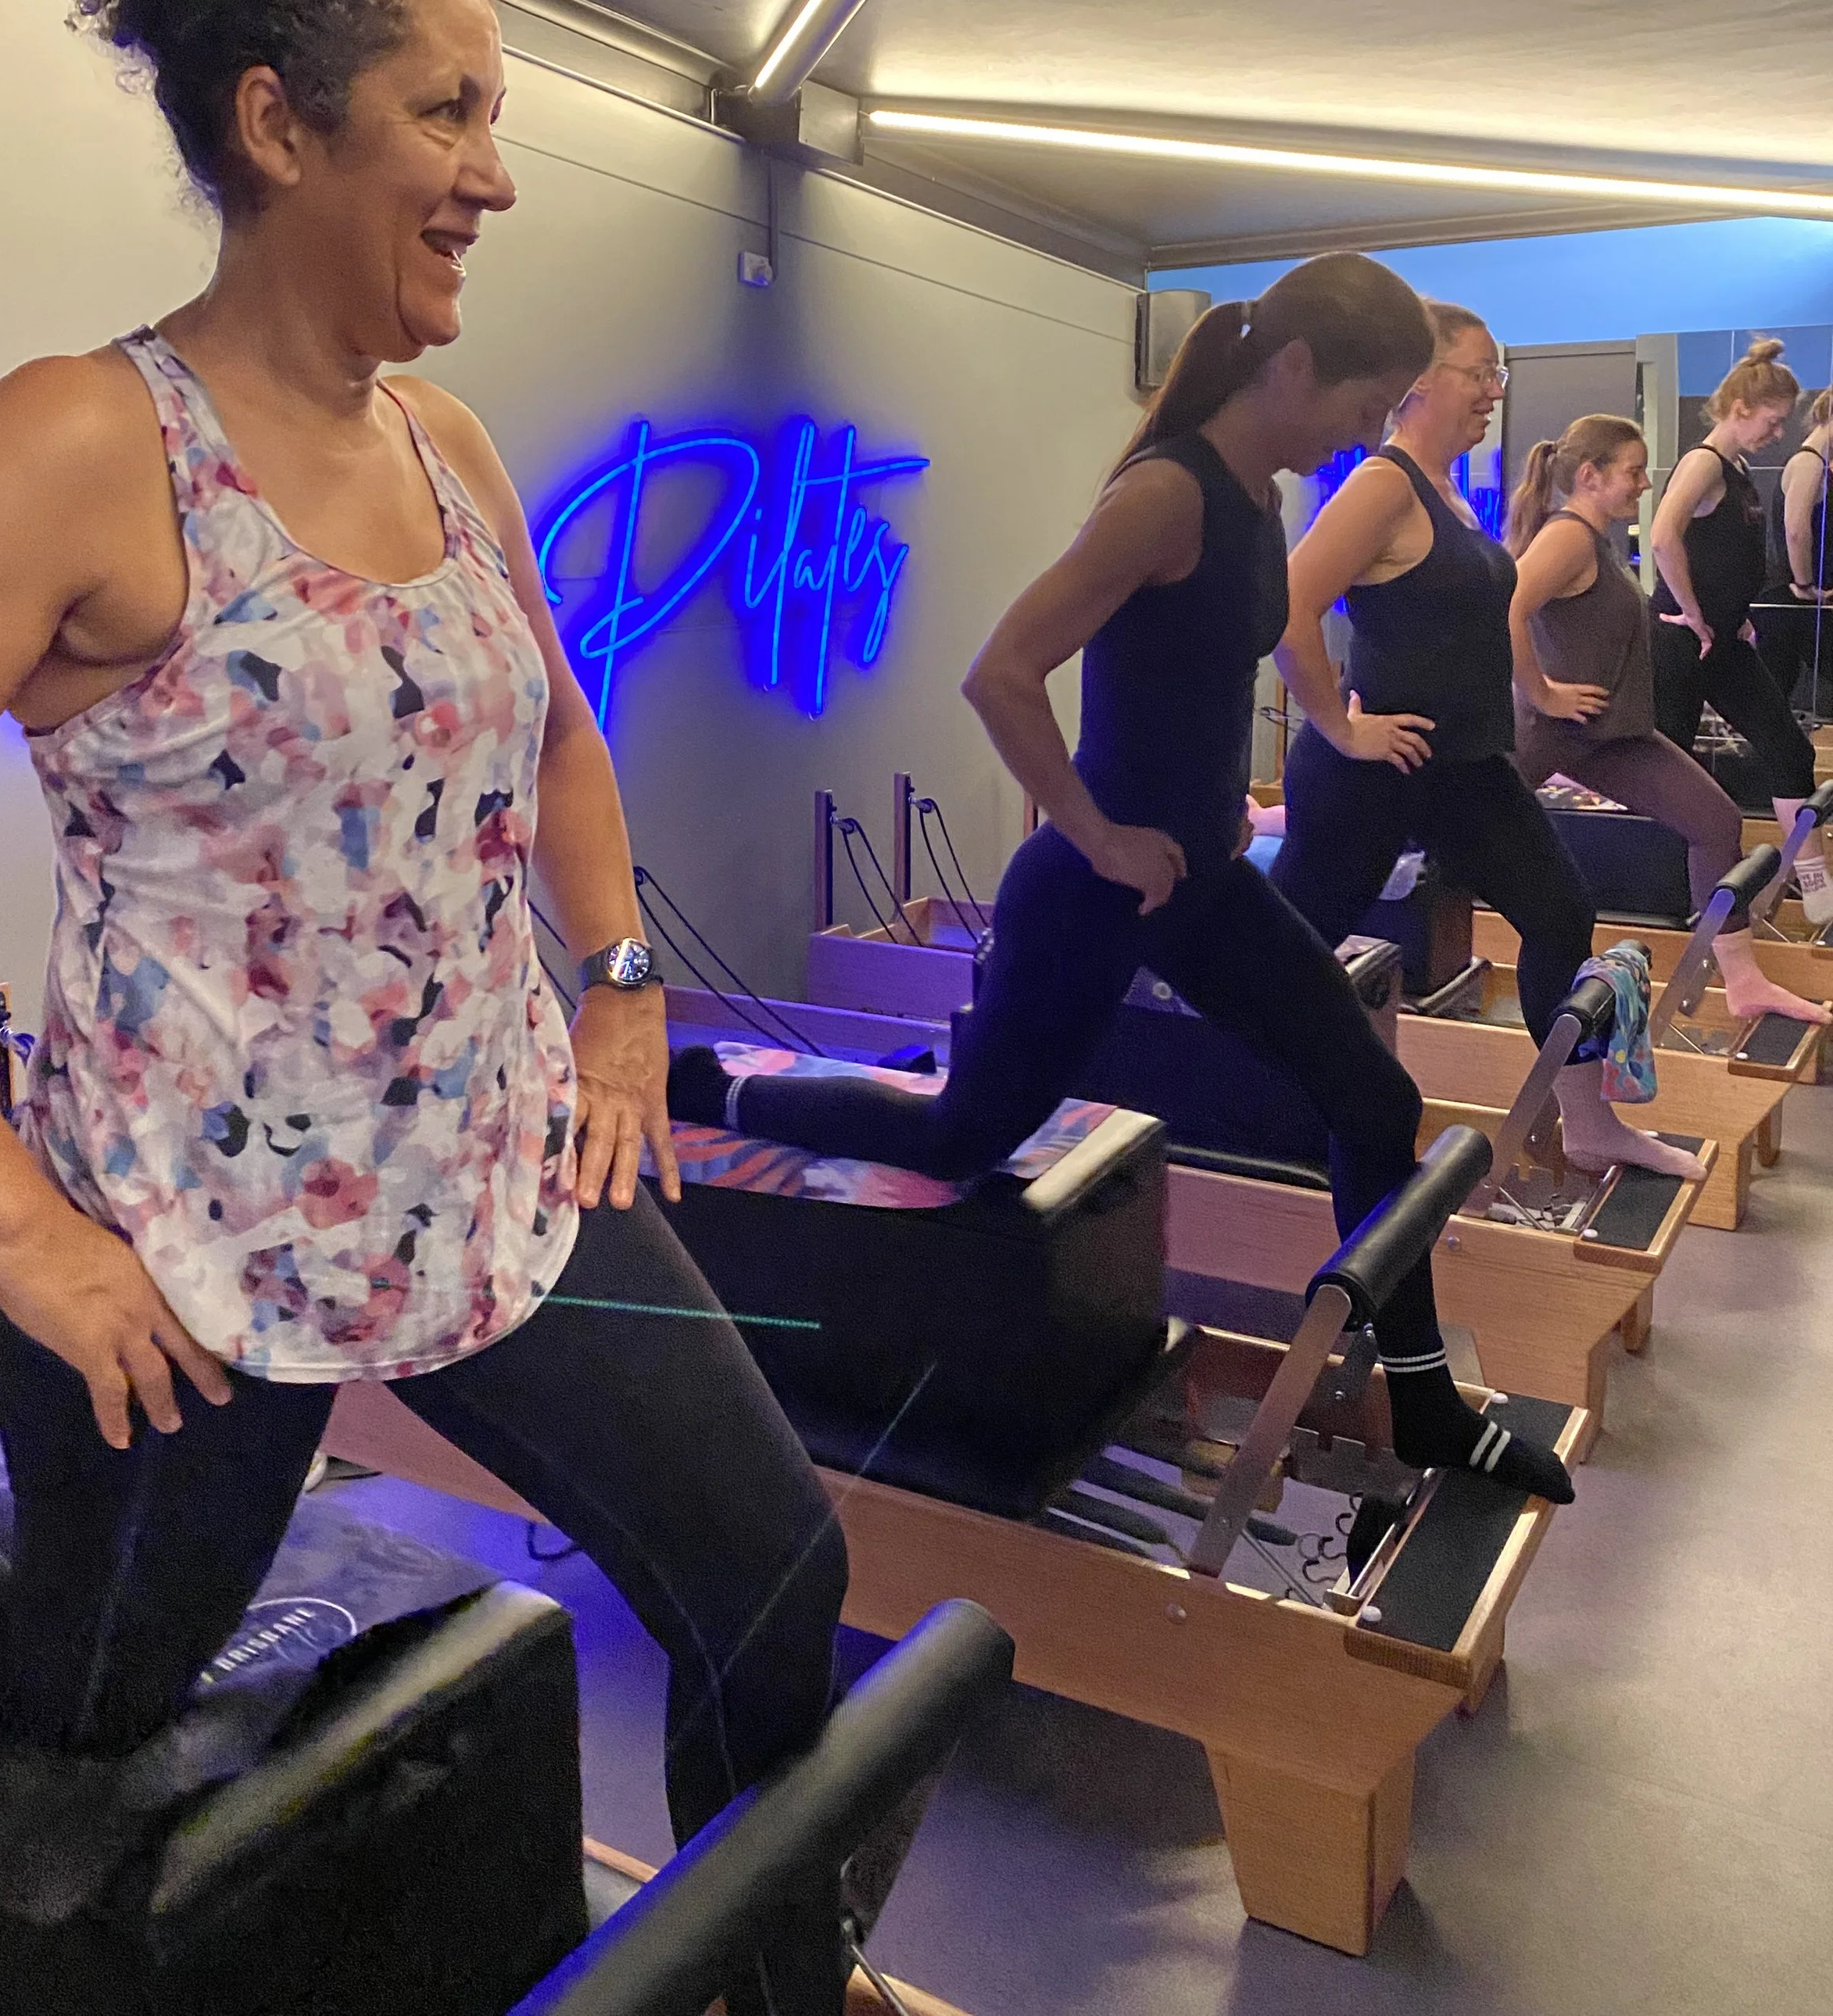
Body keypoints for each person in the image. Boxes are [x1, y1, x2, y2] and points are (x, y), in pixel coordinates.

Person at [0, 0, 847, 2014]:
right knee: (86, 1700)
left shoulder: (446, 439)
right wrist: (23, 1238)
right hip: (187, 1256)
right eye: (449, 111)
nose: (494, 173)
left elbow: (559, 732)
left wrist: (617, 989)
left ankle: (769, 1985)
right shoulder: (80, 442)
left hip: (498, 1174)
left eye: (494, 115)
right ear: (279, 123)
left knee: (773, 1568)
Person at [671, 259, 1573, 1507]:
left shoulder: (1258, 495)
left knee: (1374, 1097)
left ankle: (1423, 1403)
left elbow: (1195, 679)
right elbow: (1001, 674)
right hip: (1094, 889)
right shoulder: (1165, 495)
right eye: (1365, 405)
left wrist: (1230, 797)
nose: (1365, 435)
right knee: (961, 1136)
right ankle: (708, 1085)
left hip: (1199, 879)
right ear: (1294, 367)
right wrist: (1097, 834)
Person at [1267, 304, 1681, 1176]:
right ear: (1418, 380)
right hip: (1379, 769)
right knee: (1288, 952)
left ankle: (1586, 1122)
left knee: (1560, 911)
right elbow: (1289, 606)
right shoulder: (1384, 484)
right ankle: (1234, 1115)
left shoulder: (1449, 489)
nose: (1494, 390)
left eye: (1499, 375)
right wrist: (1340, 727)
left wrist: (1535, 692)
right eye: (1480, 372)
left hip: (1464, 766)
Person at [1508, 415, 1826, 1035]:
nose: (1644, 484)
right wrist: (1543, 693)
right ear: (1590, 476)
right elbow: (1510, 606)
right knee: (1441, 837)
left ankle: (1742, 981)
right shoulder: (1568, 535)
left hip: (1608, 735)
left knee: (1717, 821)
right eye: (1633, 472)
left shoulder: (1593, 539)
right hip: (1553, 732)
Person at [1649, 338, 1832, 922]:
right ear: (1739, 408)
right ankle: (1676, 901)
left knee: (1789, 748)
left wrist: (1736, 613)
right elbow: (1662, 535)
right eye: (1772, 421)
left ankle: (1815, 887)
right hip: (1682, 641)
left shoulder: (1739, 469)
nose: (1777, 433)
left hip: (1724, 639)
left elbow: (1725, 550)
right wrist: (1692, 610)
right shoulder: (1703, 461)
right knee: (1672, 773)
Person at [1754, 386, 1833, 722]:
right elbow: (1796, 530)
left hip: (1805, 601)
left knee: (1774, 702)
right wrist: (1804, 585)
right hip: (1794, 601)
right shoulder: (1808, 462)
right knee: (1771, 702)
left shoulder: (1819, 464)